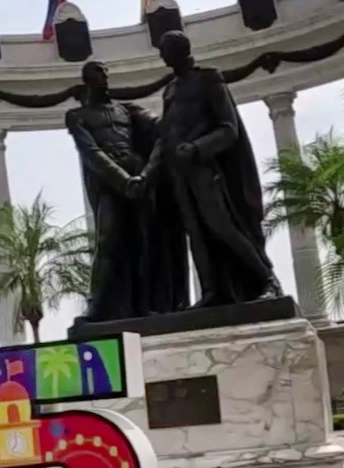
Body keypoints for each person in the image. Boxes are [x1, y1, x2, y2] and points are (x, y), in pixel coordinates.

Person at [146, 30, 282, 307]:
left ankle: (268, 280)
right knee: (196, 234)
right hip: (178, 174)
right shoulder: (170, 90)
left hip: (206, 170)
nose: (161, 55)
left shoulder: (208, 78)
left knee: (224, 227)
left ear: (179, 51)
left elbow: (228, 129)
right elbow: (167, 134)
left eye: (165, 49)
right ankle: (212, 291)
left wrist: (196, 148)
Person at [66, 60, 188, 322]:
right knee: (107, 240)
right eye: (99, 73)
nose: (105, 76)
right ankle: (97, 305)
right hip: (110, 183)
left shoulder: (127, 111)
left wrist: (145, 174)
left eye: (106, 72)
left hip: (139, 179)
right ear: (87, 80)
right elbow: (92, 153)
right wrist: (124, 181)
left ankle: (146, 304)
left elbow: (160, 130)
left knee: (145, 241)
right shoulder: (77, 117)